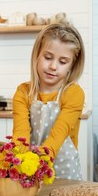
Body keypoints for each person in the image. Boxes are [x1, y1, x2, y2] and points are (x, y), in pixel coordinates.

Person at [12, 23, 85, 180]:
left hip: (65, 174)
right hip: (30, 171)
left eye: (63, 61)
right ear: (37, 55)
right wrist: (18, 163)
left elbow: (57, 136)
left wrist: (37, 164)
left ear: (72, 65)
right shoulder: (23, 92)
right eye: (48, 57)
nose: (53, 66)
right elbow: (20, 135)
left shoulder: (73, 93)